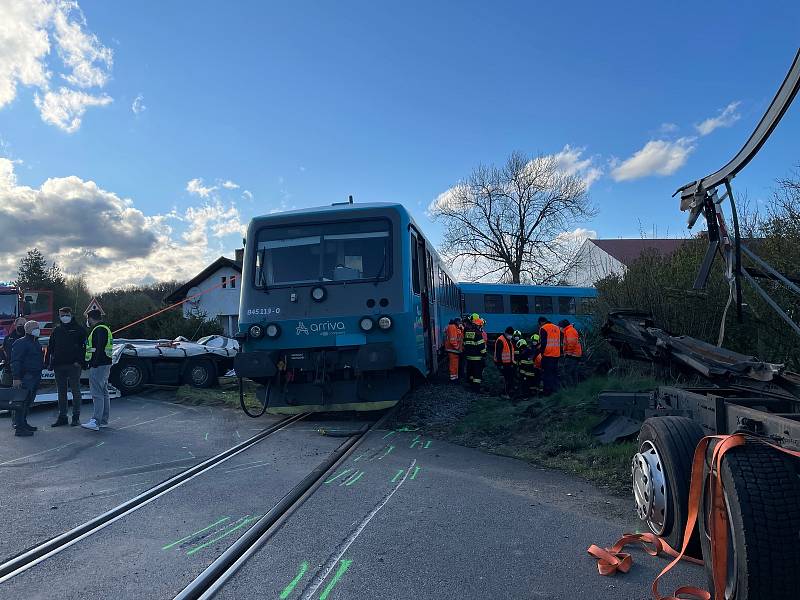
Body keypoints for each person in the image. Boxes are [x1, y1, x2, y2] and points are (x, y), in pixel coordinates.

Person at [47, 307, 87, 427]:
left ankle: (76, 417)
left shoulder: (79, 329)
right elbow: (50, 347)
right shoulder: (57, 330)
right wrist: (49, 363)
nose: (64, 316)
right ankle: (62, 416)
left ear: (70, 314)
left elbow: (85, 347)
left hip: (74, 365)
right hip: (59, 365)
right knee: (61, 392)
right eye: (61, 315)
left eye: (66, 314)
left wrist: (80, 361)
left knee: (75, 391)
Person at [10, 320, 44, 437]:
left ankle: (23, 423)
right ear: (28, 329)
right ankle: (19, 427)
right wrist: (16, 377)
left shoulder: (35, 342)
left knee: (29, 401)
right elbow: (16, 361)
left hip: (35, 375)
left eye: (38, 327)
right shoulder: (21, 342)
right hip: (26, 377)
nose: (38, 329)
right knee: (21, 402)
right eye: (35, 327)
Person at [82, 309, 113, 431]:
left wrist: (93, 363)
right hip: (105, 364)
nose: (87, 321)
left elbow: (99, 348)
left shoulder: (99, 329)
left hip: (99, 365)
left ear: (90, 318)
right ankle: (103, 420)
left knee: (97, 393)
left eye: (87, 319)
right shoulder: (104, 328)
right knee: (104, 392)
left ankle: (96, 421)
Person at [536, 316, 561, 395]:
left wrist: (541, 353)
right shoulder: (557, 328)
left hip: (547, 355)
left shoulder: (543, 328)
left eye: (539, 324)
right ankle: (555, 391)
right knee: (554, 373)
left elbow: (543, 343)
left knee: (547, 374)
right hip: (556, 355)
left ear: (541, 322)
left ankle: (547, 392)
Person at [462, 313, 486, 392]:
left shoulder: (467, 332)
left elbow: (465, 343)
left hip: (469, 356)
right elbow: (481, 345)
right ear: (477, 325)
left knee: (471, 371)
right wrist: (484, 354)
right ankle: (476, 388)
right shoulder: (478, 333)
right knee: (477, 373)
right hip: (477, 357)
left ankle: (471, 384)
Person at [2, 316, 26, 387]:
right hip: (10, 371)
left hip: (26, 372)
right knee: (6, 393)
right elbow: (8, 354)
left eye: (24, 325)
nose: (22, 327)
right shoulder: (8, 339)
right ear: (15, 325)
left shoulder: (30, 338)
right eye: (20, 325)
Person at [494, 326, 516, 399]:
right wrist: (500, 365)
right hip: (503, 364)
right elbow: (498, 354)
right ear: (506, 333)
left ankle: (509, 392)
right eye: (510, 334)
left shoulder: (508, 340)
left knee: (509, 378)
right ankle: (504, 393)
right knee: (505, 379)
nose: (511, 336)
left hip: (508, 363)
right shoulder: (501, 340)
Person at [560, 319, 583, 387]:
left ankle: (571, 388)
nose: (559, 328)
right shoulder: (569, 330)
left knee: (567, 372)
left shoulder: (569, 331)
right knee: (573, 372)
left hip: (572, 355)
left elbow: (571, 343)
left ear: (563, 326)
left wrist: (568, 354)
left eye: (560, 327)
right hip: (574, 355)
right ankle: (574, 388)